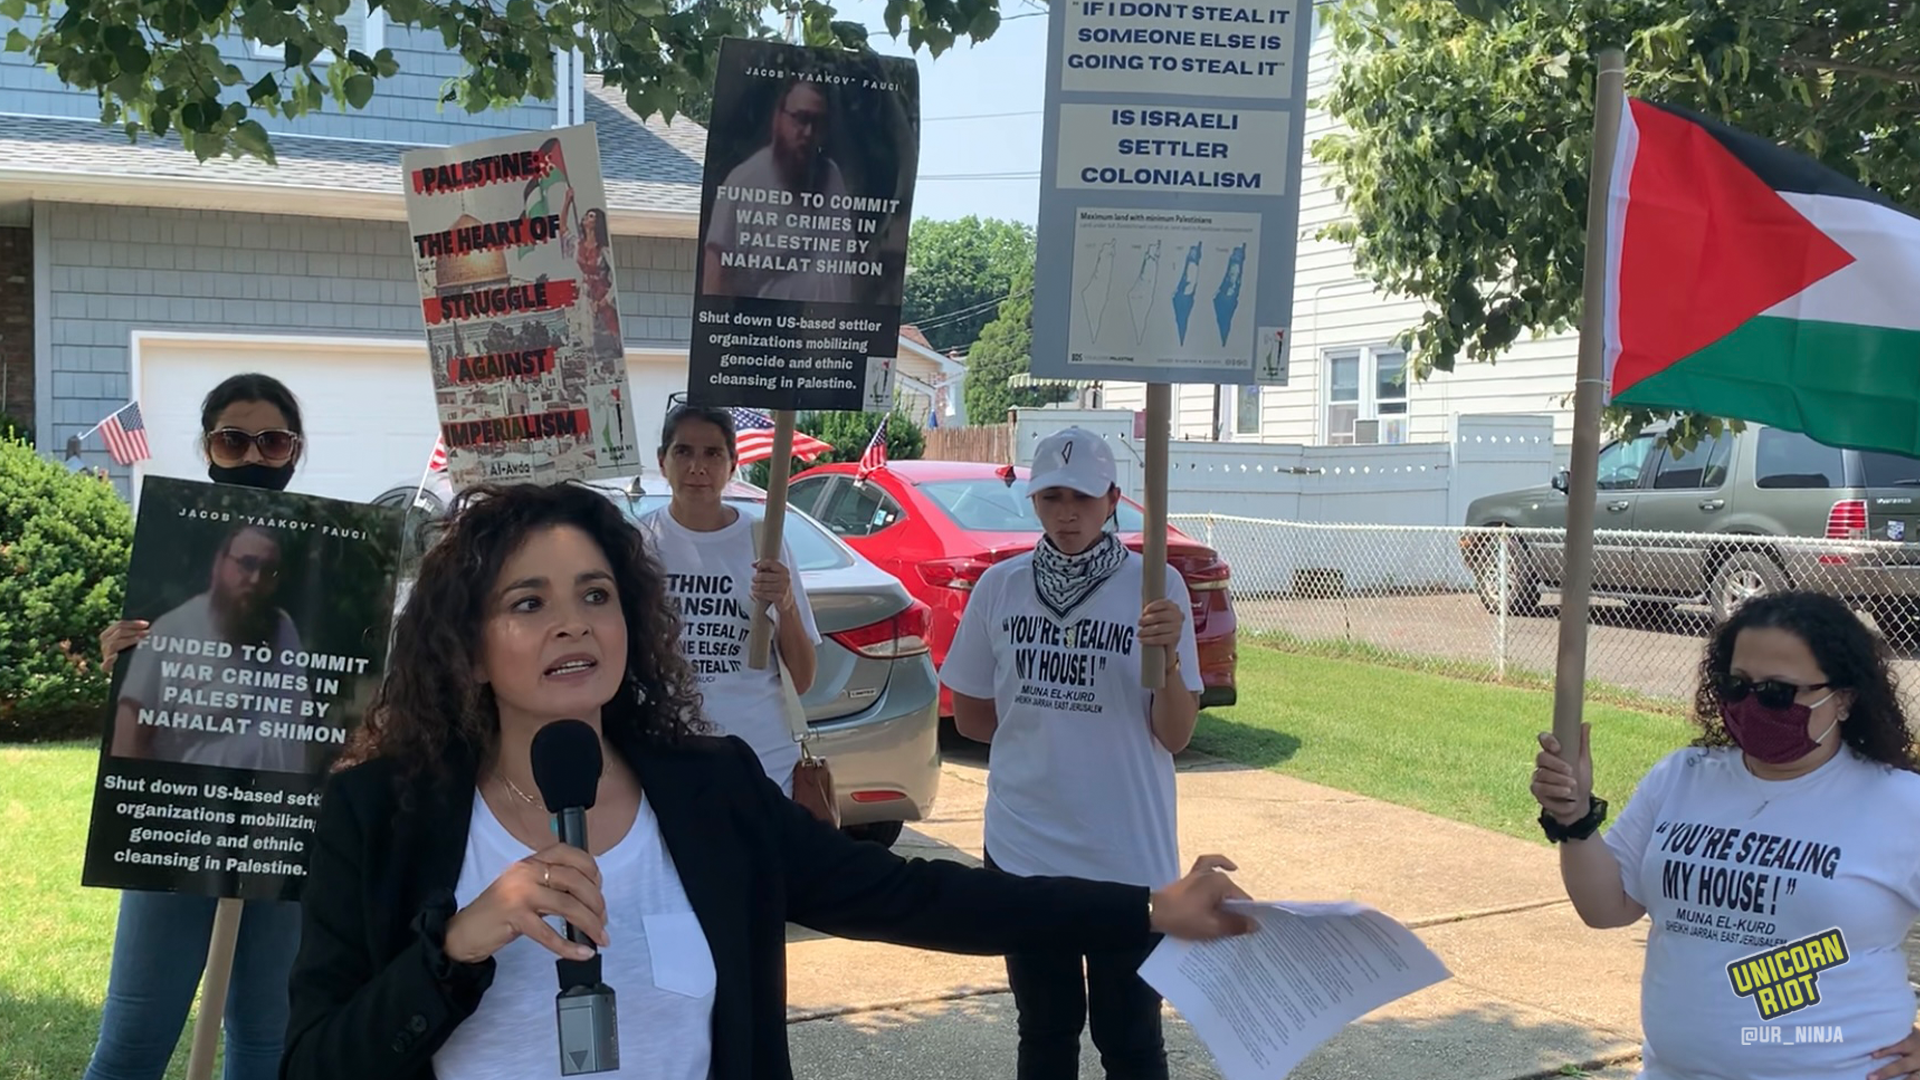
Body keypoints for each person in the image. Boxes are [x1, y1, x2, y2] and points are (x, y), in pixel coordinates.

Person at [281, 481, 1254, 1080]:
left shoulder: (714, 792)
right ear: (467, 643)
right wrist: (456, 944)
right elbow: (314, 1062)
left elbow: (916, 896)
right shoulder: (379, 816)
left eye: (596, 595)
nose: (572, 622)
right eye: (528, 603)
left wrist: (1145, 909)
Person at [1531, 590, 1920, 1080]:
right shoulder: (1682, 776)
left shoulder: (1900, 804)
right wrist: (1575, 818)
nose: (1752, 705)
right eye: (1736, 686)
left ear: (1843, 698)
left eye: (1777, 692)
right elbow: (1607, 908)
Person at [939, 426, 1204, 1080]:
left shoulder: (1156, 589)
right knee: (1045, 1031)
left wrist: (1169, 659)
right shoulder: (1000, 587)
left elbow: (1175, 735)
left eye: (1083, 497)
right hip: (1025, 851)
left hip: (1126, 855)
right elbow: (972, 715)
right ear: (1032, 500)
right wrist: (1048, 735)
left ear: (1112, 499)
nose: (1066, 513)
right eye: (1052, 496)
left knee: (1132, 1039)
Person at [84, 372, 309, 1080]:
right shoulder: (168, 619)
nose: (253, 456)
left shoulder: (288, 627)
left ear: (295, 450)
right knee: (133, 1041)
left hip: (277, 842)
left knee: (266, 1043)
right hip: (174, 838)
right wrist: (121, 656)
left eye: (273, 442)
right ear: (207, 446)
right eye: (232, 440)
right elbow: (132, 741)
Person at [636, 403, 819, 795]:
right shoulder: (639, 546)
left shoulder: (764, 542)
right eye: (683, 451)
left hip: (763, 762)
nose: (697, 467)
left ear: (733, 465)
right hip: (668, 758)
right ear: (662, 461)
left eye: (713, 453)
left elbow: (803, 679)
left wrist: (786, 605)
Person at [110, 521, 311, 772]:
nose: (256, 579)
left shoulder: (283, 629)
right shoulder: (172, 630)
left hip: (274, 795)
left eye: (269, 570)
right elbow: (127, 743)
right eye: (247, 564)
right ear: (219, 564)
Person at [702, 77, 853, 304]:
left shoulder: (832, 176)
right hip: (763, 324)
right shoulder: (743, 181)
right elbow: (716, 277)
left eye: (818, 122)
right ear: (778, 118)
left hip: (827, 324)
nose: (809, 132)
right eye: (801, 119)